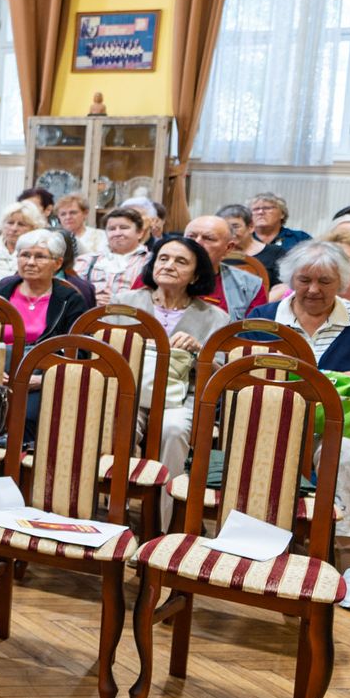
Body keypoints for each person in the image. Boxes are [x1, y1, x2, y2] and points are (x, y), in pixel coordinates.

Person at [247, 241, 350, 613]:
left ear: (343, 283)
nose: (314, 290)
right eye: (304, 280)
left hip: (343, 429)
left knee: (343, 454)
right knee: (256, 450)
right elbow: (235, 376)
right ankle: (259, 550)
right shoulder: (264, 317)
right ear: (290, 280)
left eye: (325, 281)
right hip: (276, 425)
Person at [115, 234, 229, 511]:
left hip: (181, 395)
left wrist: (199, 351)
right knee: (120, 423)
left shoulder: (215, 316)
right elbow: (103, 351)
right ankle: (117, 509)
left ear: (195, 275)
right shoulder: (124, 302)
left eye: (180, 261)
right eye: (163, 258)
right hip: (130, 387)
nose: (168, 265)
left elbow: (220, 374)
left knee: (174, 429)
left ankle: (165, 520)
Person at [0, 229, 87, 347]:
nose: (30, 262)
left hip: (47, 363)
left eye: (40, 257)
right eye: (25, 255)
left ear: (58, 263)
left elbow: (79, 348)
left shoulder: (70, 301)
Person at [179, 213, 262, 317]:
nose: (197, 243)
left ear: (228, 248)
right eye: (191, 237)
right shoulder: (161, 275)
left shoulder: (250, 285)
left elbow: (254, 331)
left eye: (208, 238)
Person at [87, 206, 150, 304]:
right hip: (91, 315)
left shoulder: (150, 262)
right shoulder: (87, 260)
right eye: (112, 229)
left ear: (140, 233)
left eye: (124, 228)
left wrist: (117, 301)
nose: (117, 233)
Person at [0, 201, 44, 281]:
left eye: (21, 224)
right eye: (10, 223)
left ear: (34, 228)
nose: (14, 229)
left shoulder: (39, 252)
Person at [246, 192, 307, 261]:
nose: (260, 212)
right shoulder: (242, 239)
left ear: (282, 214)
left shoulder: (300, 238)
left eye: (267, 208)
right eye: (256, 209)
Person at [54, 194, 106, 260]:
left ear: (85, 213)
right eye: (63, 214)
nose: (68, 217)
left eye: (73, 213)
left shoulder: (101, 236)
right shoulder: (54, 239)